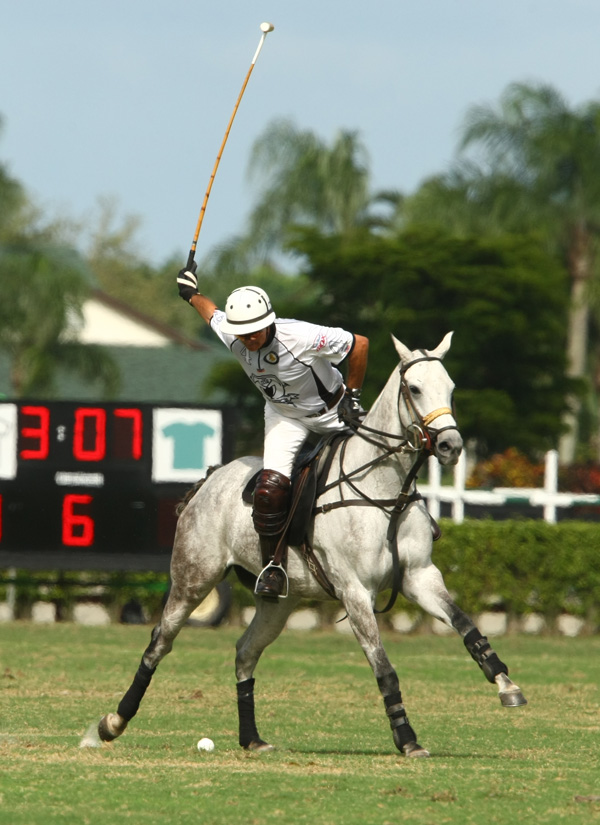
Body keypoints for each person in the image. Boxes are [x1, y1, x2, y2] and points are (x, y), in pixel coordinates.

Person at [177, 268, 369, 599]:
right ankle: (273, 568)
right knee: (269, 489)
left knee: (380, 461)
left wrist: (352, 396)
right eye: (242, 334)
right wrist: (191, 294)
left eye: (254, 332)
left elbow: (359, 344)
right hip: (285, 417)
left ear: (268, 322)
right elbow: (210, 312)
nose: (248, 339)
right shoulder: (233, 335)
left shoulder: (302, 336)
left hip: (333, 412)